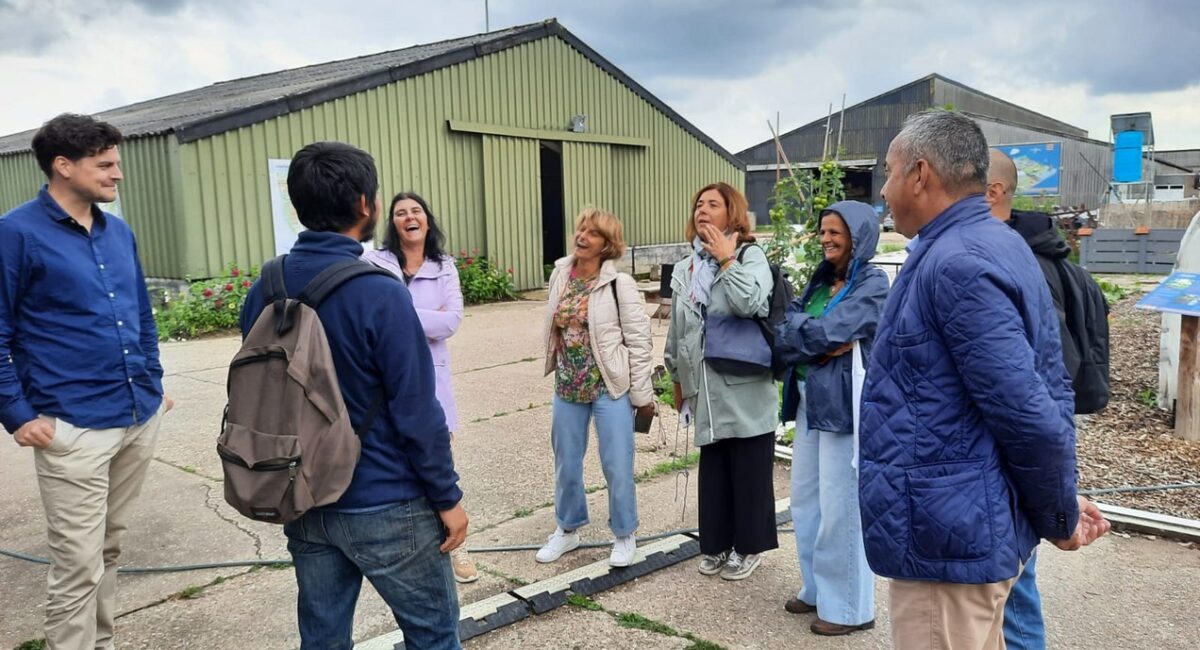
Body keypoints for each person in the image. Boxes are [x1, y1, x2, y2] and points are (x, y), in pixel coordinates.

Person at [859, 110, 1109, 649]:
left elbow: (1028, 413)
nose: (884, 187)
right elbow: (1040, 385)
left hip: (949, 543)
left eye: (889, 171)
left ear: (920, 174)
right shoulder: (993, 243)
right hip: (963, 524)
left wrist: (1059, 514)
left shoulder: (958, 262)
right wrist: (1057, 499)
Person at [239, 142, 467, 650]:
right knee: (432, 635)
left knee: (322, 639)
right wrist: (447, 497)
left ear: (298, 206)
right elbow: (416, 411)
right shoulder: (380, 292)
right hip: (385, 499)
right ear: (366, 204)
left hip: (301, 497)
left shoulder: (265, 286)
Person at [0, 113, 173, 649]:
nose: (117, 174)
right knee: (77, 566)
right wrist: (18, 414)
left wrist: (153, 379)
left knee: (110, 549)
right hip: (71, 426)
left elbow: (141, 316)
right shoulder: (16, 233)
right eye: (105, 165)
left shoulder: (119, 232)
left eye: (115, 163)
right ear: (62, 166)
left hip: (136, 416)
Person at [986, 149, 1112, 650]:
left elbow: (1044, 373)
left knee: (1016, 583)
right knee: (1016, 576)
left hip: (1024, 438)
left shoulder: (1018, 261)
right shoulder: (1044, 251)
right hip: (1038, 434)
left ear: (993, 191)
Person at [775, 200, 888, 635]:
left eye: (835, 232)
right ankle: (817, 589)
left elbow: (831, 331)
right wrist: (815, 339)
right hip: (807, 399)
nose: (825, 239)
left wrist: (812, 335)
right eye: (822, 232)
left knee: (842, 506)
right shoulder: (821, 282)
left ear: (858, 237)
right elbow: (785, 334)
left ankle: (850, 609)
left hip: (842, 405)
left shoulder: (874, 284)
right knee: (806, 501)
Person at [664, 182, 779, 581]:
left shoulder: (750, 256)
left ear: (732, 213)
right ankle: (716, 544)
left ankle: (749, 547)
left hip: (743, 384)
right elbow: (678, 329)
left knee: (749, 471)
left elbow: (751, 304)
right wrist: (676, 375)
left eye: (713, 204)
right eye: (698, 204)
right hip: (705, 388)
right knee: (715, 473)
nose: (702, 210)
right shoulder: (686, 267)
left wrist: (727, 261)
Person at [361, 191, 477, 584]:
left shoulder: (445, 267)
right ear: (391, 223)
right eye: (400, 213)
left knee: (440, 462)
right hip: (384, 380)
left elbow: (452, 322)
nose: (409, 217)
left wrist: (395, 313)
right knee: (395, 462)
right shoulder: (374, 262)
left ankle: (459, 546)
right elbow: (371, 315)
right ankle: (413, 545)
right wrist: (423, 316)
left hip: (431, 380)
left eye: (416, 211)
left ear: (427, 220)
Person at [537, 208, 655, 568]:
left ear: (607, 244)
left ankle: (624, 534)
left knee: (617, 464)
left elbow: (638, 340)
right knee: (566, 463)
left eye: (593, 232)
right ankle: (568, 529)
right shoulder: (561, 274)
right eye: (581, 229)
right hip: (568, 385)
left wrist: (642, 395)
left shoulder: (620, 284)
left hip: (608, 386)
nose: (582, 236)